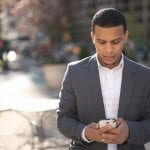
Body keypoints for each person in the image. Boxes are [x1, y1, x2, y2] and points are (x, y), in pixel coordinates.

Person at [57, 8, 150, 150]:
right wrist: (85, 132)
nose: (109, 50)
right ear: (92, 37)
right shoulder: (74, 72)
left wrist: (129, 131)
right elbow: (63, 118)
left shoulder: (145, 76)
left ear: (125, 37)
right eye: (101, 42)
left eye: (116, 41)